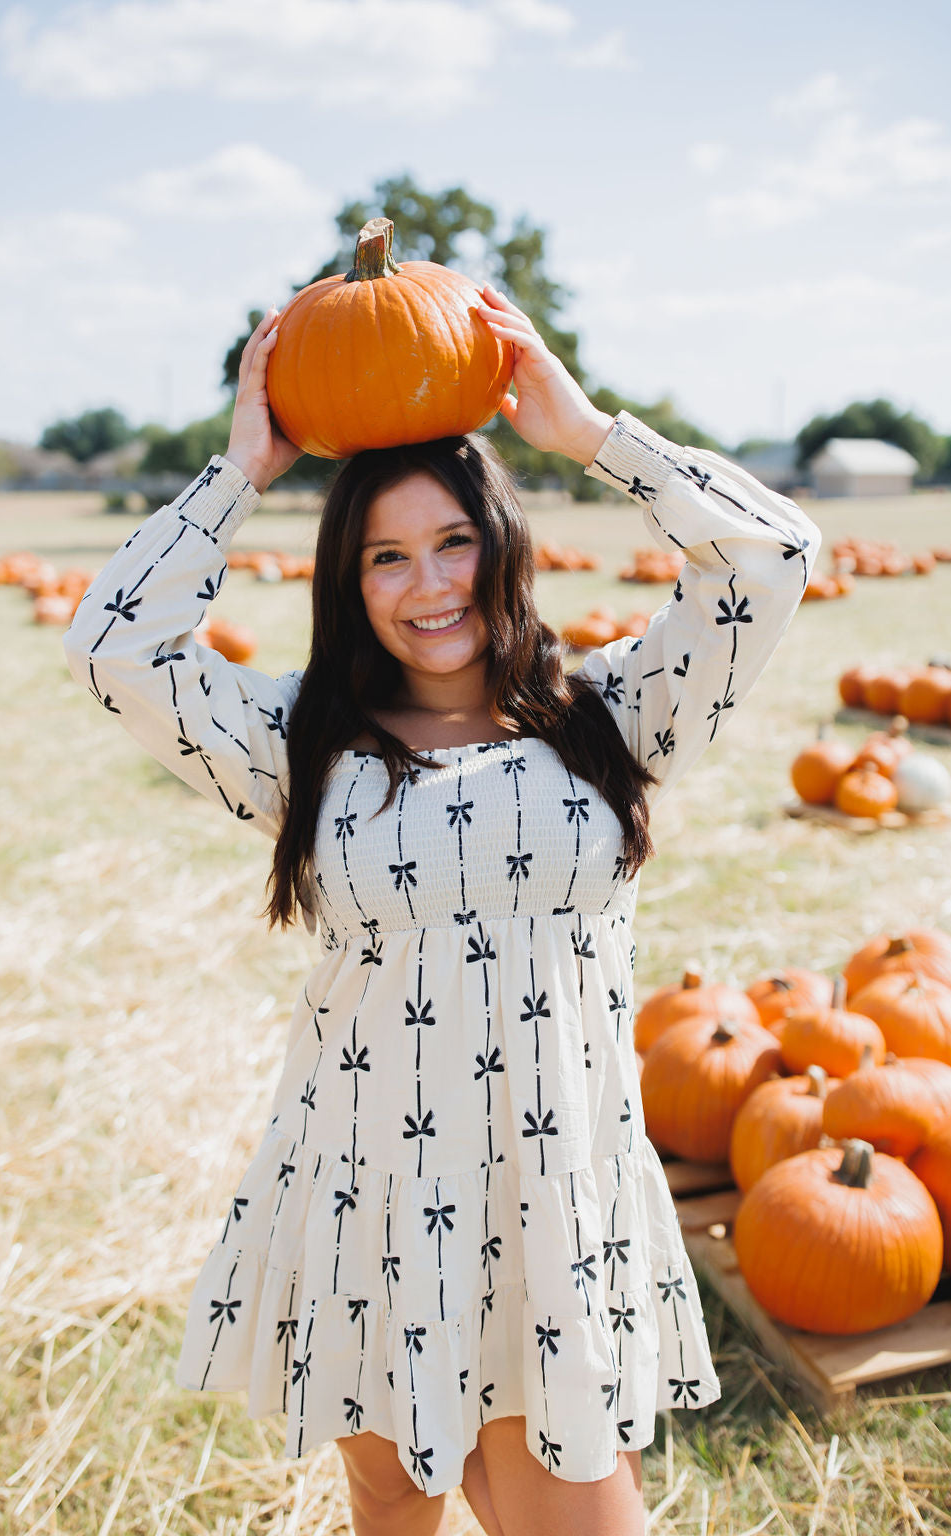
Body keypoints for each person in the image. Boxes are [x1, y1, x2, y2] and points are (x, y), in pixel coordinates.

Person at [63, 288, 820, 1536]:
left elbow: (769, 557)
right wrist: (243, 469)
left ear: (504, 543)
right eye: (386, 555)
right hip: (373, 1191)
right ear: (347, 580)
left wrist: (588, 436)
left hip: (549, 1201)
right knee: (392, 1498)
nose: (429, 586)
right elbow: (113, 653)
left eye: (454, 541)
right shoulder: (297, 743)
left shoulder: (613, 718)